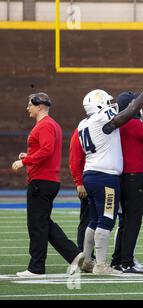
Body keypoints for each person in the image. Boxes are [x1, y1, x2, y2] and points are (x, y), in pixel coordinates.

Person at [78, 80, 143, 275]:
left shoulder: (84, 123)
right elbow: (130, 111)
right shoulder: (104, 119)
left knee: (94, 220)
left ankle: (87, 259)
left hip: (90, 173)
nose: (111, 107)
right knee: (106, 220)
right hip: (105, 176)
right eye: (107, 103)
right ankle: (101, 265)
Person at [12, 92, 84, 278]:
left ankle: (36, 268)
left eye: (30, 105)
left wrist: (25, 162)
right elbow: (44, 150)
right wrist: (27, 157)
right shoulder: (51, 125)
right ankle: (74, 254)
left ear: (40, 106)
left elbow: (46, 150)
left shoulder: (45, 125)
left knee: (36, 225)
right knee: (43, 223)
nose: (28, 108)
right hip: (46, 180)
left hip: (41, 181)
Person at [110, 91, 143, 273]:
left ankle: (117, 260)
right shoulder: (132, 123)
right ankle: (127, 261)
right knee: (132, 221)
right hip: (134, 177)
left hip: (121, 176)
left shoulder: (117, 124)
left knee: (124, 221)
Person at [69, 126, 89, 252]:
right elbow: (75, 159)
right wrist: (79, 182)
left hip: (101, 180)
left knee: (100, 221)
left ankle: (91, 255)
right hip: (88, 180)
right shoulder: (82, 129)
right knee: (87, 219)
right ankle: (83, 253)